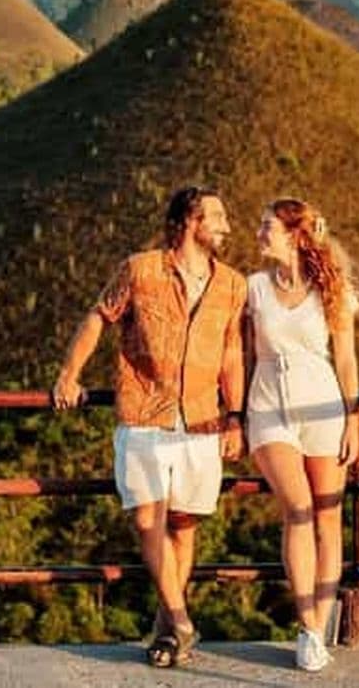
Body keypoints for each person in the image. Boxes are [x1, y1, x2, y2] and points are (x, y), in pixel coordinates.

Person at [52, 187, 246, 668]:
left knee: (182, 525)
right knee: (147, 519)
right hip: (144, 412)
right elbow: (99, 316)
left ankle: (167, 631)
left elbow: (231, 354)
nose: (226, 224)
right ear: (188, 221)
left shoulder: (232, 285)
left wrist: (236, 416)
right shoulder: (140, 269)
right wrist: (68, 374)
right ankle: (181, 618)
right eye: (216, 216)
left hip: (202, 417)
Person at [245, 198, 359, 673]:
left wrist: (353, 418)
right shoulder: (253, 288)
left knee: (328, 521)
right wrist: (234, 416)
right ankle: (308, 625)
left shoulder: (330, 289)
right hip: (269, 404)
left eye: (267, 225)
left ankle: (319, 625)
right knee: (298, 509)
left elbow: (348, 360)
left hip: (323, 406)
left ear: (294, 234)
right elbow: (244, 357)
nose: (259, 232)